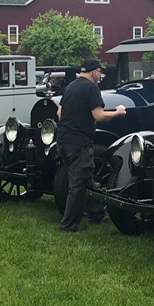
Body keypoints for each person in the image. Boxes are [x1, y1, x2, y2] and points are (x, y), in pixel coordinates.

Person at [56, 59, 127, 232]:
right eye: (100, 72)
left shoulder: (70, 86)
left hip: (63, 141)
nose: (100, 75)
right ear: (94, 72)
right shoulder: (91, 88)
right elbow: (99, 115)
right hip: (80, 143)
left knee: (85, 178)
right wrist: (117, 113)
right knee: (78, 185)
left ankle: (97, 212)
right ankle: (68, 225)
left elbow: (59, 113)